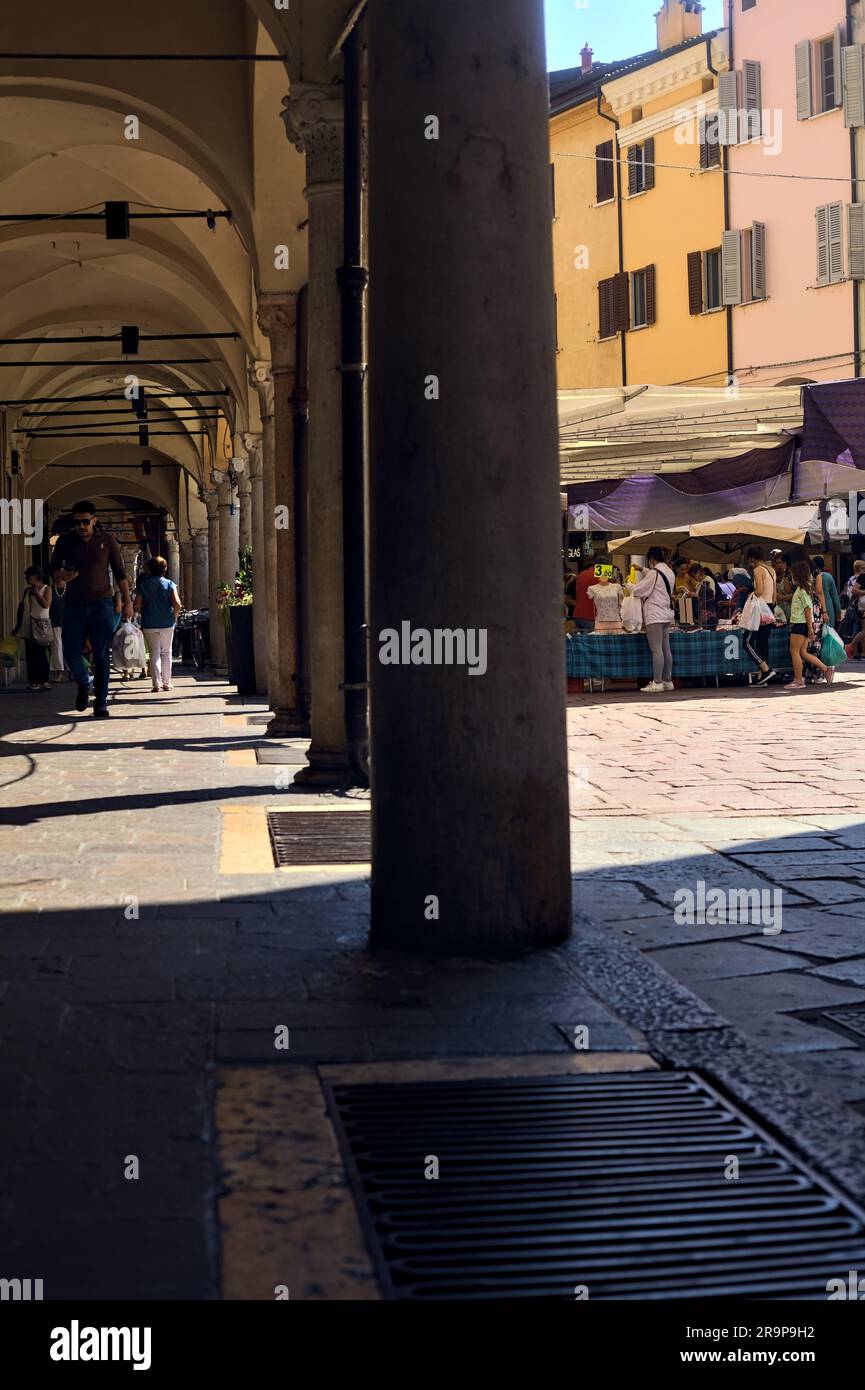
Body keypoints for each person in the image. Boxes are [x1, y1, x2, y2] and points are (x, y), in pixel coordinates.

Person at [50, 500, 131, 719]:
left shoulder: (106, 540)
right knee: (71, 650)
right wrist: (61, 577)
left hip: (101, 605)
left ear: (94, 520)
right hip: (74, 604)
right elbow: (54, 569)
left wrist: (127, 600)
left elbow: (120, 571)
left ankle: (101, 703)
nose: (81, 526)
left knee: (102, 654)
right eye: (77, 522)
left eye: (86, 521)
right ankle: (84, 682)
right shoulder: (65, 542)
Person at [631, 547, 676, 694]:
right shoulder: (669, 572)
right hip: (666, 614)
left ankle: (657, 682)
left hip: (654, 614)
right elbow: (657, 578)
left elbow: (640, 590)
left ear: (652, 559)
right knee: (665, 648)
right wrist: (642, 569)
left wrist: (630, 586)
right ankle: (667, 681)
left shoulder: (653, 573)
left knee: (656, 649)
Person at [134, 556, 182, 691]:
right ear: (165, 569)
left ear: (150, 569)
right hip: (167, 622)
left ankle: (156, 684)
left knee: (154, 653)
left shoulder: (143, 585)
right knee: (166, 652)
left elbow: (136, 605)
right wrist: (175, 614)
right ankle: (167, 682)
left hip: (149, 622)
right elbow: (177, 604)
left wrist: (142, 611)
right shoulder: (170, 584)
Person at [786, 559, 833, 690]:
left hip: (800, 624)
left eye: (793, 574)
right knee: (802, 652)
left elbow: (808, 609)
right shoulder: (804, 589)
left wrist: (810, 628)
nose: (792, 578)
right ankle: (825, 669)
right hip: (803, 624)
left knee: (794, 651)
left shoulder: (802, 590)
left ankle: (798, 680)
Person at [741, 547, 778, 688]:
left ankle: (767, 671)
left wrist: (749, 599)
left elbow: (759, 591)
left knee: (747, 643)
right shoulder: (771, 570)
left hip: (760, 609)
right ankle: (763, 677)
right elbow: (774, 595)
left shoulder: (757, 570)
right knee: (763, 643)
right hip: (770, 608)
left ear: (751, 559)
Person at [12, 566, 52, 691]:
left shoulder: (47, 588)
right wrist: (17, 626)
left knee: (41, 653)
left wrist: (36, 594)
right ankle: (34, 681)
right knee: (31, 654)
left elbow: (46, 605)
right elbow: (21, 608)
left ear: (35, 576)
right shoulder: (27, 591)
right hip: (27, 625)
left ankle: (44, 680)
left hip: (41, 625)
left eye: (28, 576)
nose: (26, 579)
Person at [587, 566, 624, 634]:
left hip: (616, 621)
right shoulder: (592, 588)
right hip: (600, 622)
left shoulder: (617, 587)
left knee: (617, 643)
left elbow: (621, 603)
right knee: (600, 644)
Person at [812, 556, 842, 632]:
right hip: (828, 608)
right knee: (829, 633)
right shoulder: (828, 576)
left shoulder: (811, 577)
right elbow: (835, 597)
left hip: (815, 609)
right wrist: (838, 614)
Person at [571, 558, 599, 633]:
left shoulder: (580, 575)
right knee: (592, 642)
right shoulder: (600, 577)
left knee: (579, 642)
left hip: (578, 615)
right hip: (591, 616)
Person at [48, 581, 67, 683]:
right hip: (55, 621)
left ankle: (74, 670)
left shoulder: (71, 588)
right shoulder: (50, 589)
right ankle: (60, 672)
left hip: (70, 621)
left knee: (70, 646)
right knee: (57, 647)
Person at [689, 564, 717, 630]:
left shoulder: (707, 581)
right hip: (703, 611)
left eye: (693, 576)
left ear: (698, 572)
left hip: (708, 611)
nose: (694, 578)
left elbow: (710, 596)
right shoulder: (700, 582)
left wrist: (696, 596)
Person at [844, 575, 865, 659]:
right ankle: (851, 646)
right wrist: (864, 592)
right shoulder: (863, 577)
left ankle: (850, 646)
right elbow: (854, 590)